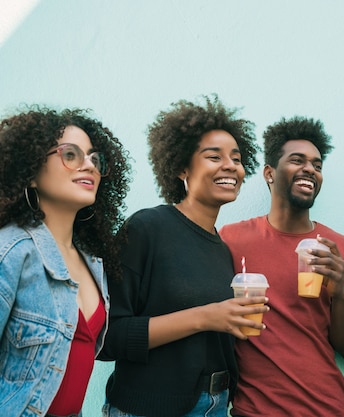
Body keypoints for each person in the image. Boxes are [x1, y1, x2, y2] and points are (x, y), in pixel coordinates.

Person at [100, 96, 268, 417]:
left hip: (215, 406)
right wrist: (205, 317)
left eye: (237, 157)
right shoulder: (147, 228)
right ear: (181, 167)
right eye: (213, 156)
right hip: (148, 408)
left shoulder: (223, 250)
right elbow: (107, 337)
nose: (230, 165)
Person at [219, 115, 344, 417]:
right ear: (269, 173)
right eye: (297, 160)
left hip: (327, 408)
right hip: (253, 410)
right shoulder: (231, 239)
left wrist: (338, 290)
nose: (309, 169)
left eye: (317, 164)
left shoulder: (341, 249)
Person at [0, 106, 131, 416]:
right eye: (70, 154)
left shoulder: (92, 261)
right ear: (30, 173)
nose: (89, 165)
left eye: (94, 158)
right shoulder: (11, 251)